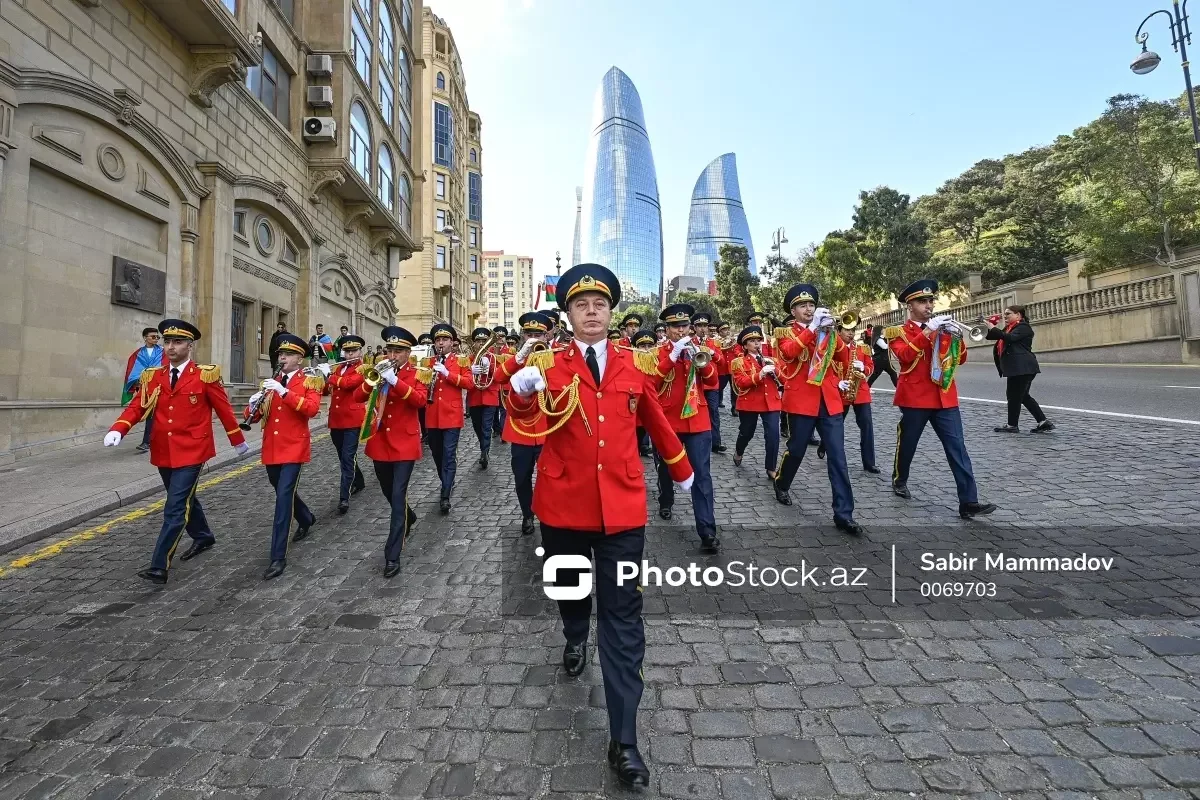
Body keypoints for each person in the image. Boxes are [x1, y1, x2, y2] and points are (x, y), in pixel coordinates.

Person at [505, 263, 694, 790]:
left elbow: (653, 416)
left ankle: (625, 740)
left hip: (623, 509)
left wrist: (681, 469)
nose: (592, 312)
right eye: (581, 305)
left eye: (600, 305)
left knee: (623, 617)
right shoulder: (548, 364)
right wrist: (520, 394)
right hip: (564, 505)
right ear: (567, 315)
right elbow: (525, 427)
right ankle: (571, 632)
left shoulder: (634, 364)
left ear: (611, 313)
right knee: (571, 594)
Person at [105, 319, 249, 583]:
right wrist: (119, 428)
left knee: (174, 507)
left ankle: (159, 565)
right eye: (167, 342)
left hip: (193, 449)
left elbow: (224, 409)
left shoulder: (205, 374)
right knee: (183, 499)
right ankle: (204, 536)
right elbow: (137, 406)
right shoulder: (154, 376)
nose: (170, 347)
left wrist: (237, 440)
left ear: (189, 346)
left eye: (177, 342)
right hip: (164, 450)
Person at [887, 279, 998, 518]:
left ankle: (969, 501)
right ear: (910, 305)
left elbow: (960, 360)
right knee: (908, 444)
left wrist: (957, 338)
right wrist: (928, 331)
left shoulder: (942, 327)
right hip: (915, 398)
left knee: (957, 449)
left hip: (944, 398)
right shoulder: (898, 332)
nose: (928, 305)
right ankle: (900, 478)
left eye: (930, 301)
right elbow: (905, 357)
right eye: (922, 301)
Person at [772, 284, 863, 535]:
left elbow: (843, 358)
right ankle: (782, 482)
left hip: (830, 399)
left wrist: (833, 332)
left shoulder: (827, 331)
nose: (809, 309)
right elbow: (789, 354)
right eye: (803, 306)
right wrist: (812, 330)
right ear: (793, 310)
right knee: (797, 449)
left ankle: (844, 514)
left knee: (838, 456)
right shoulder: (784, 333)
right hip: (801, 400)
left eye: (811, 305)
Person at [244, 332, 323, 579]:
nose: (283, 358)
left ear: (299, 359)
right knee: (281, 490)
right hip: (272, 448)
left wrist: (284, 392)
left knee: (282, 500)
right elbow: (256, 417)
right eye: (280, 354)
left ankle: (277, 557)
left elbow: (311, 410)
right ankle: (306, 517)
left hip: (293, 448)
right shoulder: (271, 382)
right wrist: (252, 403)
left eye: (288, 354)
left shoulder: (309, 382)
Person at [357, 327, 427, 578]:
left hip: (405, 445)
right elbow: (357, 397)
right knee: (388, 491)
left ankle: (392, 555)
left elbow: (419, 401)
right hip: (380, 443)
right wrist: (373, 380)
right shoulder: (379, 371)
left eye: (399, 351)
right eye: (390, 350)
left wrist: (396, 382)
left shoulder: (418, 373)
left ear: (408, 352)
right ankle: (409, 515)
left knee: (397, 496)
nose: (393, 355)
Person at [652, 303, 720, 553]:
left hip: (697, 420)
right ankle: (666, 500)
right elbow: (652, 383)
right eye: (675, 326)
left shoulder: (699, 350)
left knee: (702, 475)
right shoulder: (657, 353)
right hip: (668, 420)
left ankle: (707, 530)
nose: (681, 331)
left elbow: (712, 382)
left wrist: (700, 362)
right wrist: (671, 357)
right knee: (666, 468)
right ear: (666, 329)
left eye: (684, 326)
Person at [495, 311, 555, 535]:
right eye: (529, 333)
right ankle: (527, 514)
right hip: (520, 430)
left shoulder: (554, 356)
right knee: (521, 477)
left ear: (546, 336)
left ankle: (548, 514)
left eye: (538, 334)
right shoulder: (516, 358)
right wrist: (519, 358)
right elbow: (499, 378)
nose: (533, 338)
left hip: (548, 428)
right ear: (522, 336)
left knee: (548, 477)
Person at [984, 305, 1055, 434]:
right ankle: (1043, 422)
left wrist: (992, 327)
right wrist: (991, 326)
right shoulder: (1009, 328)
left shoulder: (1023, 327)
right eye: (1005, 314)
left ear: (1018, 315)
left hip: (1022, 368)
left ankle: (1012, 425)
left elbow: (1009, 338)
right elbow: (994, 337)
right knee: (1023, 396)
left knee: (1013, 396)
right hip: (1018, 368)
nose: (1005, 316)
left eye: (1008, 314)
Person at [425, 323, 470, 514]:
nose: (440, 343)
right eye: (438, 340)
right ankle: (446, 481)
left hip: (451, 415)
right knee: (437, 454)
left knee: (449, 454)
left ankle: (445, 494)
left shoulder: (460, 361)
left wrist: (447, 373)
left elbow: (469, 383)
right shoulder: (428, 361)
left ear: (452, 342)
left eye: (444, 340)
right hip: (432, 415)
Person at [322, 334, 368, 514]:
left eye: (353, 351)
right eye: (347, 352)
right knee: (343, 456)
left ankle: (344, 497)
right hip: (336, 419)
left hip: (352, 420)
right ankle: (359, 480)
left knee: (348, 457)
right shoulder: (338, 369)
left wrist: (329, 375)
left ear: (359, 351)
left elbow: (349, 384)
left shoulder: (363, 368)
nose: (350, 355)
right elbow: (327, 389)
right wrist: (321, 377)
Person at [729, 325, 782, 481]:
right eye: (752, 341)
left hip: (771, 402)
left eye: (758, 340)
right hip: (749, 403)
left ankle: (771, 467)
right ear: (745, 346)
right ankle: (739, 451)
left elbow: (785, 379)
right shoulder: (739, 362)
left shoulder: (771, 360)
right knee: (747, 432)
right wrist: (760, 374)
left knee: (773, 435)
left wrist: (775, 370)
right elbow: (741, 382)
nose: (757, 344)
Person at [827, 320, 879, 473]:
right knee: (836, 426)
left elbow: (871, 367)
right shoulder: (832, 348)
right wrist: (837, 382)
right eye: (847, 330)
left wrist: (864, 368)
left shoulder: (862, 348)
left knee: (867, 426)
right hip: (841, 391)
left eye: (853, 330)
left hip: (860, 392)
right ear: (839, 331)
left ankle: (869, 462)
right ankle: (827, 446)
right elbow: (827, 370)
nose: (851, 333)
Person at [121, 327, 167, 453]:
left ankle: (148, 442)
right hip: (145, 389)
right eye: (153, 337)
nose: (156, 339)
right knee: (150, 415)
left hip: (161, 388)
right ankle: (148, 441)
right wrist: (140, 380)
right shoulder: (138, 354)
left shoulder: (164, 352)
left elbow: (168, 368)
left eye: (158, 337)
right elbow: (133, 371)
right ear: (145, 338)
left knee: (155, 415)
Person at [688, 311, 727, 454]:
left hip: (711, 384)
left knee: (714, 413)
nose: (703, 329)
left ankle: (716, 442)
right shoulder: (689, 343)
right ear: (694, 327)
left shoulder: (714, 342)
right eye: (699, 326)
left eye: (705, 325)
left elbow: (722, 362)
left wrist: (712, 353)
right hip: (696, 384)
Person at [465, 327, 501, 469]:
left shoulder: (493, 358)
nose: (481, 344)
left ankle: (484, 452)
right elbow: (465, 377)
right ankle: (483, 447)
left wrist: (490, 366)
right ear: (473, 343)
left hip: (490, 396)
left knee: (486, 426)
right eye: (478, 341)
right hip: (474, 397)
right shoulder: (469, 359)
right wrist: (471, 369)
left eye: (484, 341)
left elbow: (499, 376)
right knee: (477, 426)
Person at [491, 326, 513, 440]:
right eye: (498, 336)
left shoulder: (511, 350)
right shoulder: (489, 350)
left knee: (504, 410)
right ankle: (496, 428)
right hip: (493, 385)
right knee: (494, 410)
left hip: (505, 385)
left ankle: (503, 432)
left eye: (502, 336)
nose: (500, 339)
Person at [868, 322, 899, 387]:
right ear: (879, 331)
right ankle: (898, 387)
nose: (883, 330)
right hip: (882, 360)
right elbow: (885, 346)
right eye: (882, 329)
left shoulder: (880, 338)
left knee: (876, 374)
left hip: (881, 360)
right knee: (892, 373)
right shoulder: (878, 339)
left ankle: (867, 386)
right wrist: (891, 342)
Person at [415, 332, 434, 440]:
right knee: (421, 413)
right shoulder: (417, 356)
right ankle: (424, 433)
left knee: (430, 412)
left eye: (428, 343)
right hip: (421, 387)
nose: (426, 345)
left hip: (433, 388)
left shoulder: (435, 357)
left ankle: (430, 433)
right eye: (424, 343)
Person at [715, 321, 735, 408]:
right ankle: (718, 402)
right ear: (720, 332)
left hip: (731, 367)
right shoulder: (716, 341)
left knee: (734, 388)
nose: (727, 331)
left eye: (727, 329)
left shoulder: (732, 339)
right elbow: (719, 350)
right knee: (720, 386)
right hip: (721, 368)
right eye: (724, 330)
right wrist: (729, 347)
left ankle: (734, 407)